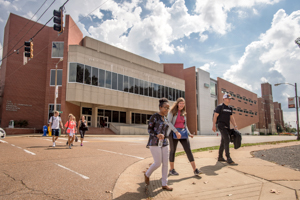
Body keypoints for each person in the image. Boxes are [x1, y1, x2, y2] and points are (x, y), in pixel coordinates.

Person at [167, 97, 202, 176]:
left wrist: (189, 133)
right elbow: (168, 122)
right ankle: (171, 170)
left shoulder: (183, 112)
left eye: (183, 103)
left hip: (183, 133)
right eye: (180, 103)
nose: (182, 105)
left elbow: (185, 125)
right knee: (173, 151)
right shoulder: (172, 112)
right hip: (173, 133)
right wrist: (176, 131)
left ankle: (195, 170)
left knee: (188, 150)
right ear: (177, 104)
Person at [144, 98, 173, 191]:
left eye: (168, 108)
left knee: (165, 164)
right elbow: (149, 129)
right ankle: (147, 174)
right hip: (154, 142)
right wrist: (157, 135)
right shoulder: (154, 117)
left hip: (164, 143)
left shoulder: (165, 118)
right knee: (157, 163)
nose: (167, 110)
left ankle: (164, 184)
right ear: (160, 107)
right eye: (165, 108)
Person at [212, 93, 238, 165]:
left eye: (230, 98)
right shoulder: (220, 107)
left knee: (223, 141)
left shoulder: (230, 108)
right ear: (224, 99)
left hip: (227, 126)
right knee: (227, 139)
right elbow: (215, 116)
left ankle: (220, 157)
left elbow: (231, 118)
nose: (229, 100)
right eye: (228, 98)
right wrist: (214, 125)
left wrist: (235, 125)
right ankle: (228, 158)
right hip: (221, 126)